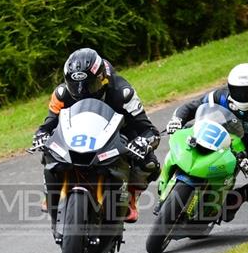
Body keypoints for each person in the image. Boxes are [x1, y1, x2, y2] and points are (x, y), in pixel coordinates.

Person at [32, 48, 161, 225]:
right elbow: (47, 125)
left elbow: (150, 131)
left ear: (102, 78)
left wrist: (142, 142)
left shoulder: (123, 92)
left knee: (150, 164)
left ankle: (130, 195)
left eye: (89, 85)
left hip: (117, 133)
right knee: (49, 148)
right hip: (77, 133)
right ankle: (51, 192)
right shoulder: (61, 94)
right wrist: (41, 136)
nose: (81, 91)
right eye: (74, 86)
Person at [165, 62, 248, 223]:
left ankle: (234, 199)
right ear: (230, 87)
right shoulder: (221, 95)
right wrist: (176, 120)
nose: (242, 95)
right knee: (185, 132)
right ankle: (168, 178)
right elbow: (191, 107)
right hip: (217, 133)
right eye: (238, 91)